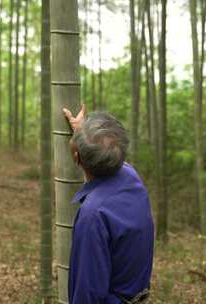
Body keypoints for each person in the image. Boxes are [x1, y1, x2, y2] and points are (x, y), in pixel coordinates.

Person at [63, 105, 154, 304]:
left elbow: (88, 293)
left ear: (77, 157)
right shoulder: (131, 176)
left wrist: (81, 141)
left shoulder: (92, 215)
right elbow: (106, 153)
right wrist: (82, 133)